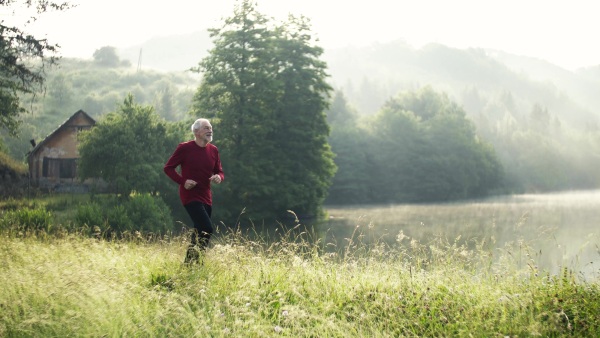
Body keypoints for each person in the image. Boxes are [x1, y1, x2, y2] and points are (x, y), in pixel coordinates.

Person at [164, 118, 224, 264]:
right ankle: (197, 262)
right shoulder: (184, 148)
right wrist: (183, 181)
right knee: (207, 228)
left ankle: (190, 265)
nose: (210, 130)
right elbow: (168, 168)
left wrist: (218, 177)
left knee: (200, 231)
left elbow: (220, 172)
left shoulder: (213, 150)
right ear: (196, 132)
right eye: (206, 128)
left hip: (206, 195)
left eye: (210, 128)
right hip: (190, 195)